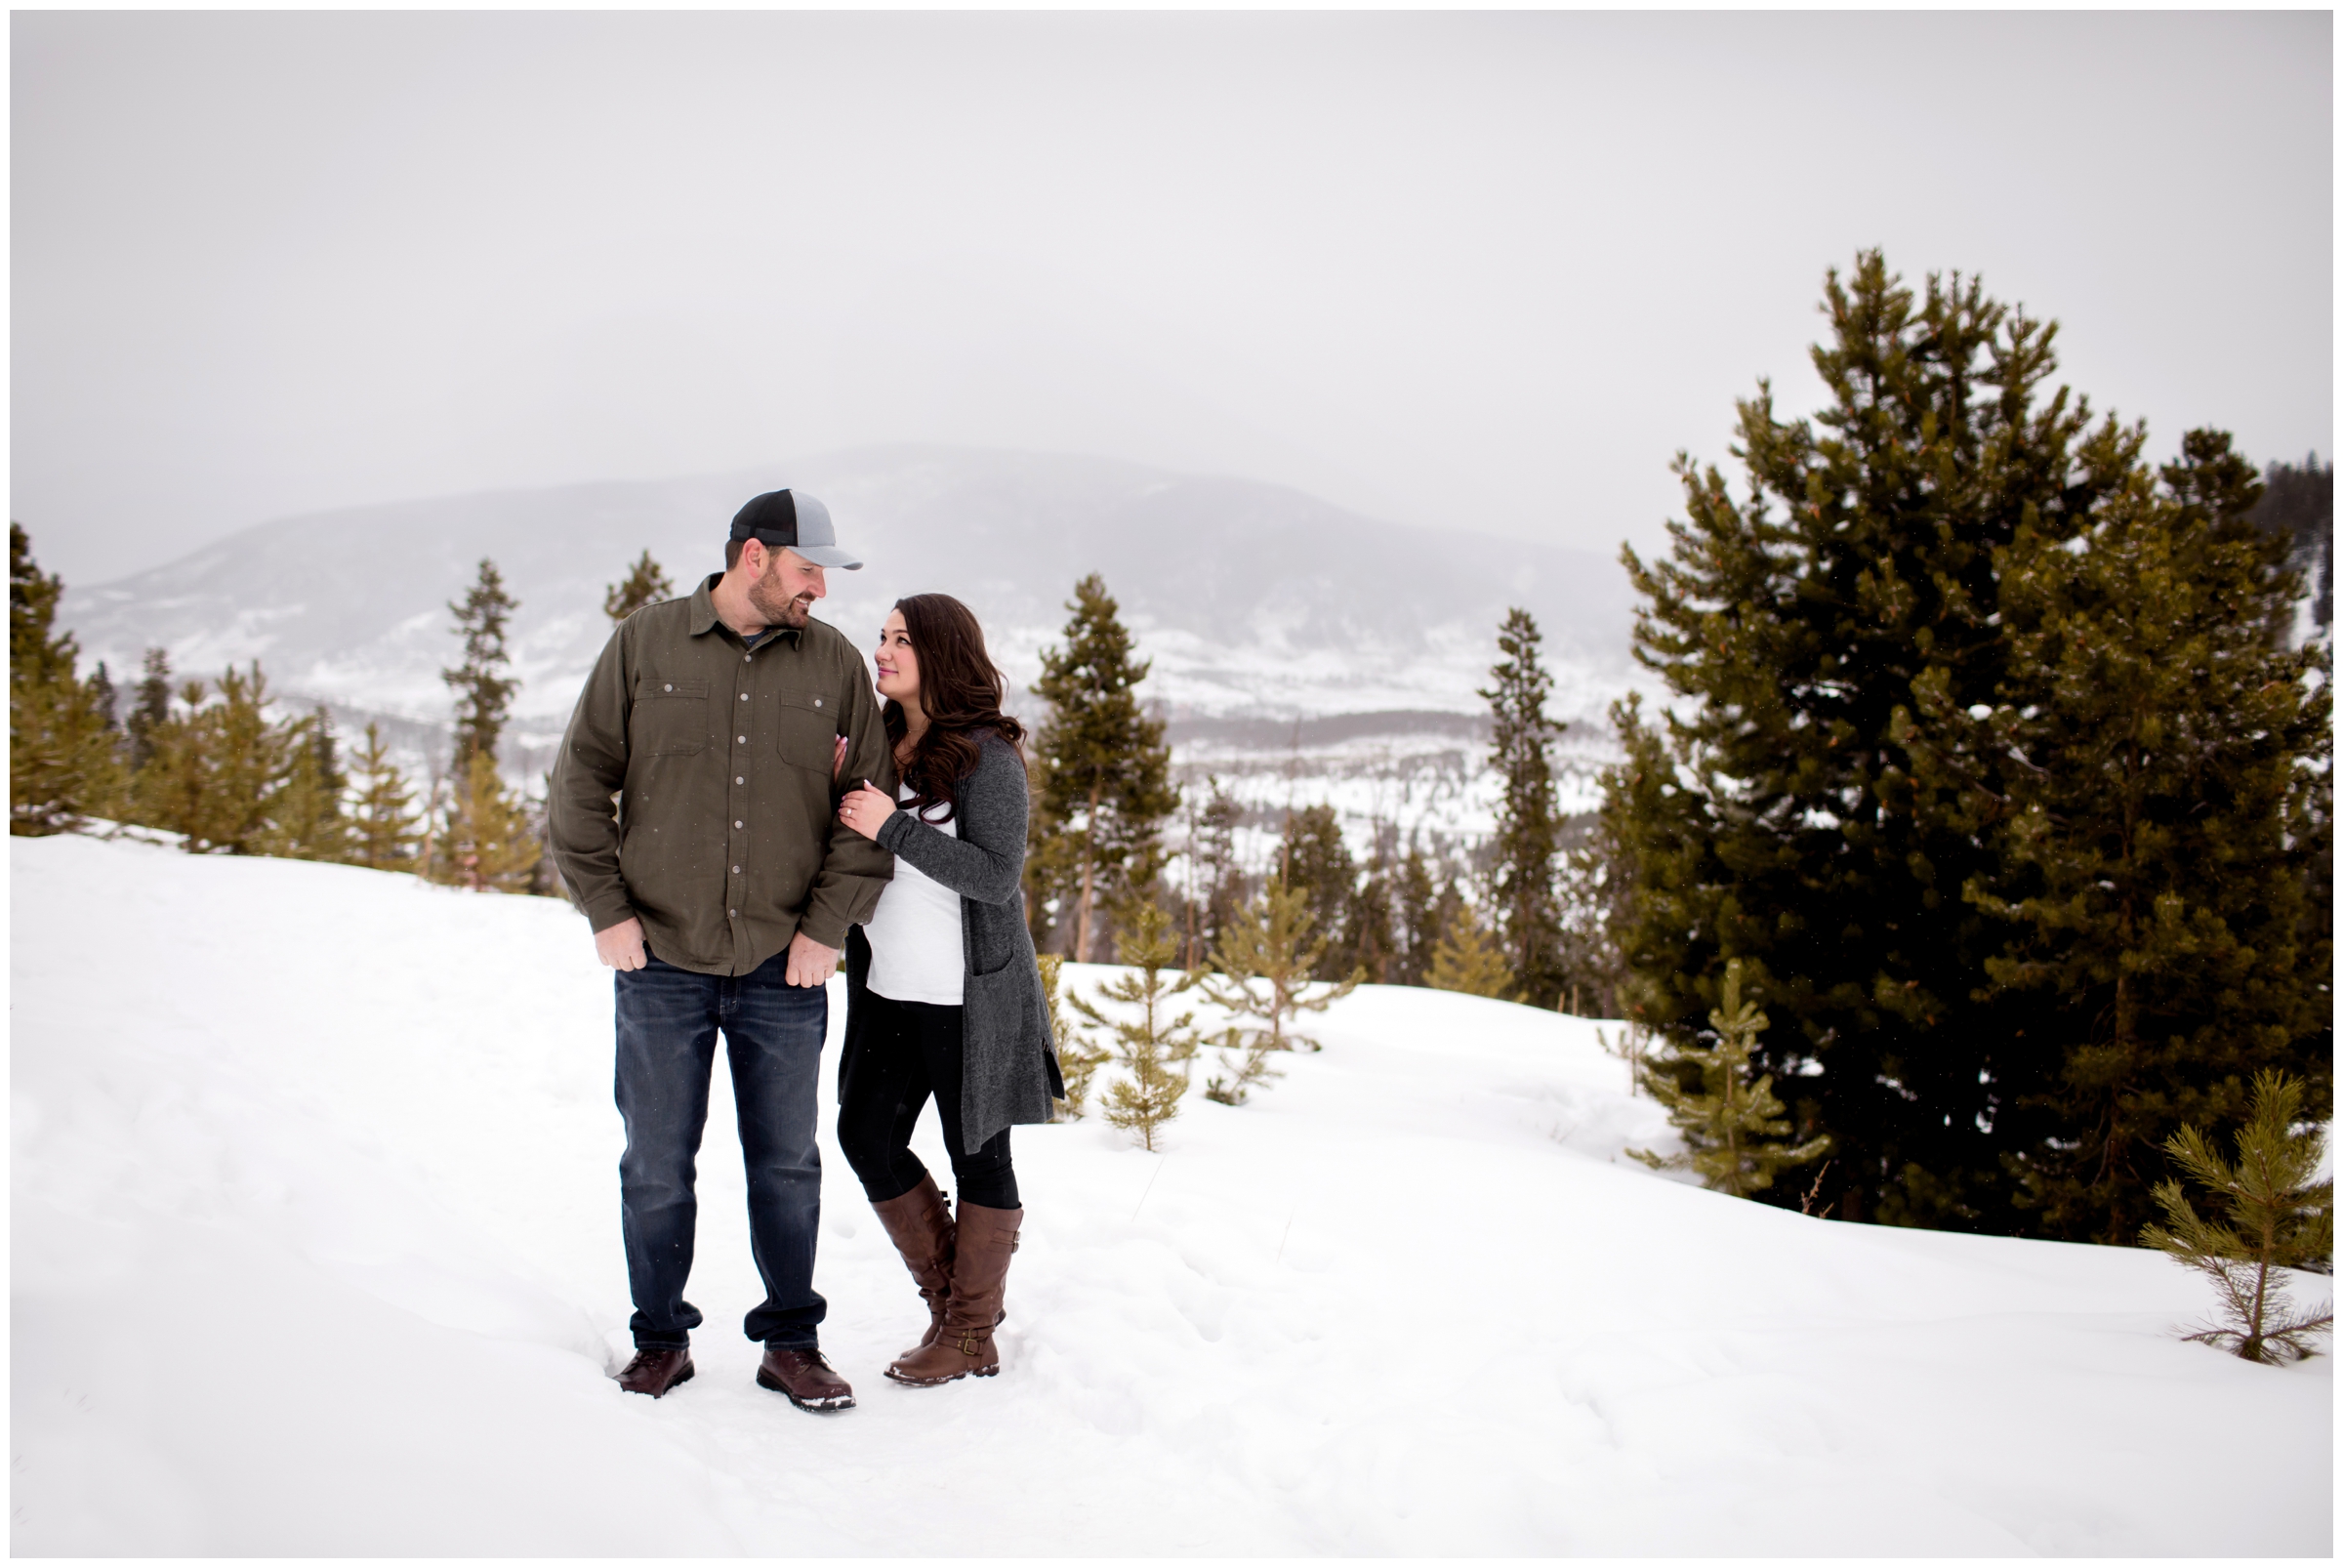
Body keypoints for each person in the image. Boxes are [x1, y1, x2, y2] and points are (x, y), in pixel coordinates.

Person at [548, 487, 894, 1412]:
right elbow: (579, 783)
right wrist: (604, 909)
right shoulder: (646, 645)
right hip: (659, 959)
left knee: (787, 1162)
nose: (821, 586)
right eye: (808, 567)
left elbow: (867, 811)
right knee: (655, 1163)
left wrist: (829, 926)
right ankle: (660, 1341)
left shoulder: (833, 665)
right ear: (754, 556)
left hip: (787, 967)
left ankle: (792, 1343)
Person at [834, 593, 1063, 1386]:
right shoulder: (884, 743)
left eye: (903, 639)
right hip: (889, 989)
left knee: (979, 1159)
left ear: (941, 653)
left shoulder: (988, 757)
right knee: (865, 1137)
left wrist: (890, 828)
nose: (885, 650)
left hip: (970, 1000)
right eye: (883, 637)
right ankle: (953, 1307)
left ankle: (970, 1334)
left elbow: (997, 878)